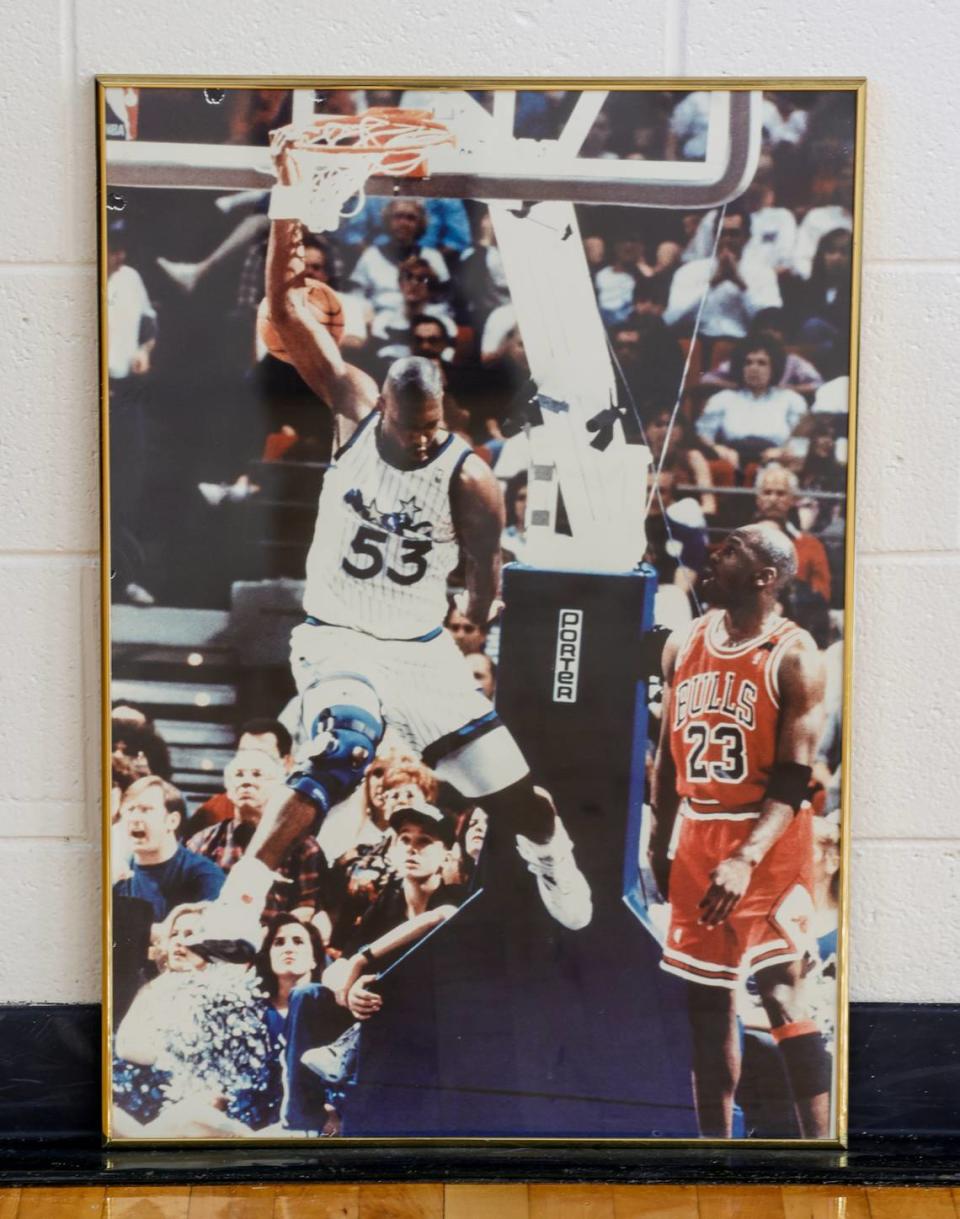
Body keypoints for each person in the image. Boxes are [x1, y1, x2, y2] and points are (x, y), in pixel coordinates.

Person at [196, 131, 593, 962]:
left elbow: (486, 564)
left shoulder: (470, 477)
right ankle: (243, 892)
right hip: (339, 637)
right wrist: (286, 209)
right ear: (381, 411)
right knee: (342, 744)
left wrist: (474, 616)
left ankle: (548, 854)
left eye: (433, 431)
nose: (422, 443)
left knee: (524, 802)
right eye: (411, 431)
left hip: (421, 648)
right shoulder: (348, 400)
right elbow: (283, 309)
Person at [648, 522, 831, 1139]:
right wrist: (659, 839)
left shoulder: (795, 655)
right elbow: (669, 757)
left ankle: (820, 1148)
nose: (715, 554)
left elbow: (793, 779)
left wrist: (747, 857)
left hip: (768, 835)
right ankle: (714, 1154)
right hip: (699, 831)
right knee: (707, 1003)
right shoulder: (685, 642)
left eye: (733, 550)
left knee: (780, 993)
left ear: (765, 577)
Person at [187, 749, 328, 929]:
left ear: (279, 787)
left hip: (272, 947)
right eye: (239, 775)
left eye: (257, 775)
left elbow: (306, 910)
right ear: (229, 790)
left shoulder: (304, 847)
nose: (246, 782)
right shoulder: (202, 842)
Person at [113, 775, 226, 923]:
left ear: (172, 821)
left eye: (145, 810)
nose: (134, 818)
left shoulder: (205, 875)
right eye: (130, 809)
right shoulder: (116, 878)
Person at [664, 209, 781, 341]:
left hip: (742, 344)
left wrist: (740, 284)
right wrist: (712, 283)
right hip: (695, 341)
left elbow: (770, 319)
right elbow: (670, 319)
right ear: (714, 236)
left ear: (747, 237)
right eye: (722, 233)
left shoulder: (763, 273)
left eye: (734, 234)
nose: (727, 239)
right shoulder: (689, 271)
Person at [695, 336, 807, 471]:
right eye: (748, 363)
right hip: (733, 463)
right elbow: (702, 436)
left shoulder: (791, 400)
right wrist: (717, 449)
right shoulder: (722, 399)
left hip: (775, 465)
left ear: (774, 367)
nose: (754, 368)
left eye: (762, 363)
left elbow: (801, 442)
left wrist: (782, 453)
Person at [754, 463, 831, 603]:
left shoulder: (811, 545)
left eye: (781, 493)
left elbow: (823, 593)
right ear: (758, 498)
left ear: (793, 500)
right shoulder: (740, 541)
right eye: (767, 492)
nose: (773, 499)